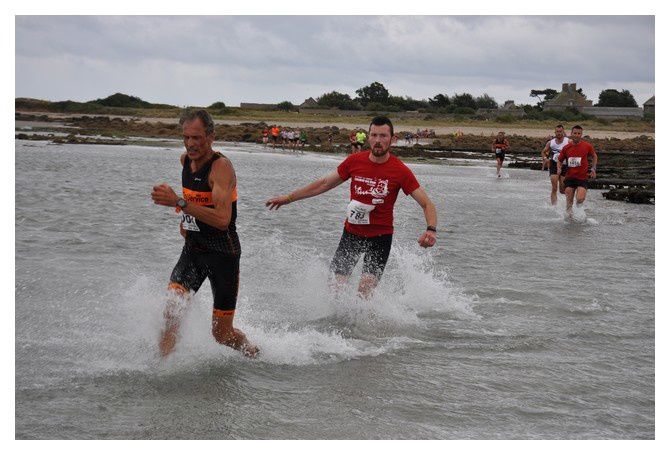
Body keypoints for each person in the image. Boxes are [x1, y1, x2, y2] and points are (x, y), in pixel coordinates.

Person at [265, 116, 438, 298]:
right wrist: (289, 198)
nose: (378, 141)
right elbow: (324, 183)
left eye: (383, 136)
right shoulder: (355, 161)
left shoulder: (400, 170)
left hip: (380, 238)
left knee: (364, 293)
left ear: (392, 139)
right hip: (352, 234)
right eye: (374, 135)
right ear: (368, 137)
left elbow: (427, 204)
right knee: (334, 289)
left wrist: (431, 229)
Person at [151, 109, 258, 358]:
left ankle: (253, 353)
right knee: (171, 309)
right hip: (194, 250)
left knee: (221, 335)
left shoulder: (221, 168)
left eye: (197, 138)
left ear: (210, 136)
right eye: (186, 137)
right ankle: (162, 369)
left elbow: (222, 220)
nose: (191, 144)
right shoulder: (184, 162)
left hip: (223, 255)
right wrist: (185, 218)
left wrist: (179, 202)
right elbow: (194, 201)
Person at [556, 125, 598, 218]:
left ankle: (580, 212)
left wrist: (593, 169)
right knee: (569, 203)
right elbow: (559, 160)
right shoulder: (566, 147)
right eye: (575, 133)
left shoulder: (587, 146)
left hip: (582, 178)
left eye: (579, 133)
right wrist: (559, 168)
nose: (577, 135)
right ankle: (569, 222)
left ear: (581, 135)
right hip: (570, 177)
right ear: (571, 134)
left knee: (580, 199)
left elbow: (594, 156)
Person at [541, 124, 570, 205]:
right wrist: (545, 159)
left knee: (562, 189)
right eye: (557, 132)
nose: (559, 133)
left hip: (564, 165)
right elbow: (543, 152)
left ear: (563, 132)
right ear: (555, 132)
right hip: (554, 165)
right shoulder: (551, 143)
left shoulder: (568, 141)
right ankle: (554, 206)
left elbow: (575, 150)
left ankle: (569, 203)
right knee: (554, 188)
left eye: (560, 131)